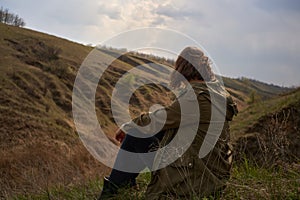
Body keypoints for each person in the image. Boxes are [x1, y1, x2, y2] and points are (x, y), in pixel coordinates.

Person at [98, 46, 238, 199]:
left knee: (136, 133)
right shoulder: (217, 94)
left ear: (183, 70)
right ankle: (122, 187)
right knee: (150, 132)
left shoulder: (197, 98)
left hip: (195, 179)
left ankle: (112, 193)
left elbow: (158, 119)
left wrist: (126, 127)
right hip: (212, 175)